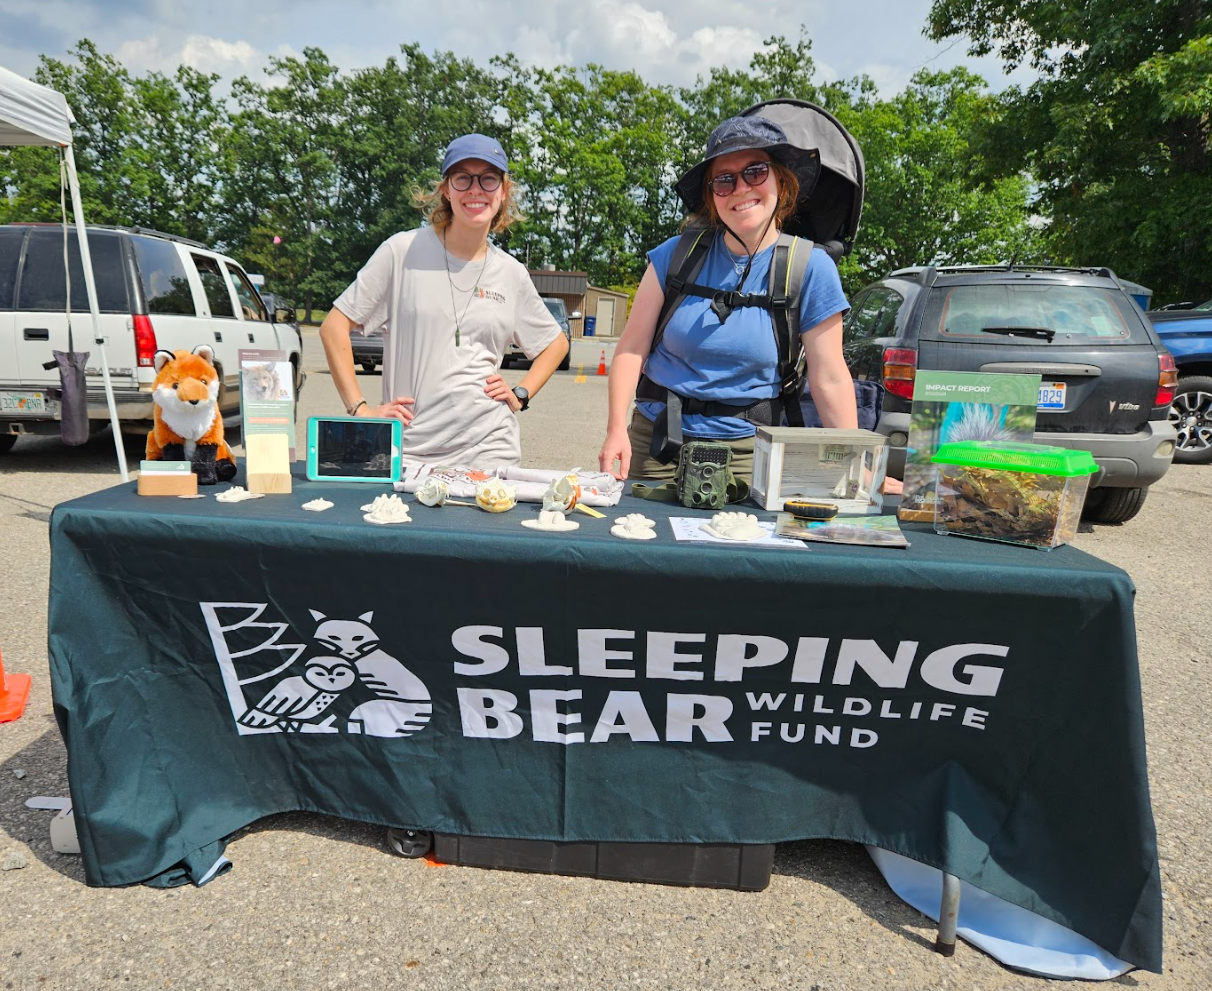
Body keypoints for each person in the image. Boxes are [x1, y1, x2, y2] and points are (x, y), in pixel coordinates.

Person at [598, 116, 857, 483]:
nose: (740, 188)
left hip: (749, 452)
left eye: (755, 172)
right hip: (657, 442)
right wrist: (615, 430)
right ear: (711, 196)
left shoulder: (811, 268)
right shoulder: (673, 256)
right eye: (724, 180)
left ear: (782, 181)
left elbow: (830, 377)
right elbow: (631, 348)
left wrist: (854, 463)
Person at [320, 133, 569, 467]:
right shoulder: (402, 252)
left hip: (490, 449)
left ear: (503, 192)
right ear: (447, 190)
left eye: (488, 179)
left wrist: (521, 393)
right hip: (411, 452)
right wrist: (360, 410)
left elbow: (555, 344)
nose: (475, 190)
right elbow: (333, 327)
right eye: (463, 178)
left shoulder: (511, 273)